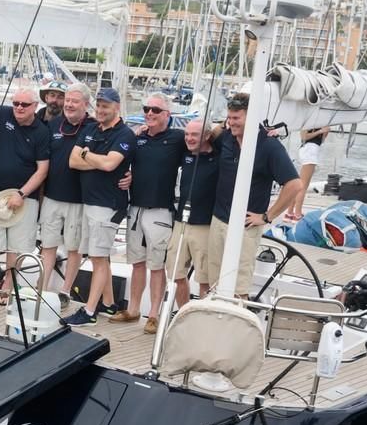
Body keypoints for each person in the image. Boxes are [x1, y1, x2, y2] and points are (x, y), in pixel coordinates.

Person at [208, 93, 301, 298]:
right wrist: (224, 125)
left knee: (238, 286)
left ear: (252, 117)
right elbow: (208, 137)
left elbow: (294, 185)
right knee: (212, 281)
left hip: (246, 226)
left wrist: (267, 216)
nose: (232, 123)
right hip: (219, 220)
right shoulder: (226, 138)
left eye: (237, 118)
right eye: (229, 118)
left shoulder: (269, 146)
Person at [110, 92, 184, 335]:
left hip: (161, 211)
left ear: (167, 115)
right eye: (147, 109)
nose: (149, 113)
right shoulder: (137, 138)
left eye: (156, 110)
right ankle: (133, 310)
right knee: (137, 262)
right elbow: (123, 161)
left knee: (156, 266)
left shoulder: (177, 138)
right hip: (136, 208)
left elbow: (204, 140)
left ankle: (153, 314)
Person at [60, 87, 135, 327]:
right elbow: (72, 161)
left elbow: (110, 165)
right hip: (88, 202)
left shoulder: (124, 134)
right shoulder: (91, 128)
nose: (101, 110)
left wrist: (87, 155)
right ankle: (109, 303)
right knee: (98, 256)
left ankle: (89, 311)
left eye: (107, 106)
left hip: (108, 204)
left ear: (117, 107)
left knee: (98, 257)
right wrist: (94, 158)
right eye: (99, 105)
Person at [0, 87, 50, 305]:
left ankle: (8, 286)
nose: (18, 107)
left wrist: (22, 193)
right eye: (15, 103)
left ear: (35, 107)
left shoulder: (41, 132)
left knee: (15, 246)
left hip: (24, 197)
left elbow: (42, 170)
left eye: (24, 105)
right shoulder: (4, 114)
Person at [38, 83, 94, 293]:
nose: (69, 105)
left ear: (86, 104)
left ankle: (65, 291)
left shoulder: (94, 126)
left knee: (74, 248)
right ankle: (42, 289)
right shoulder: (53, 125)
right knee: (48, 245)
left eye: (74, 101)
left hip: (78, 199)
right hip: (52, 197)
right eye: (67, 100)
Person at [166, 118, 220, 307]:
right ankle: (183, 314)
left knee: (205, 279)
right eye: (187, 134)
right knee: (176, 273)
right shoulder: (185, 154)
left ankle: (202, 321)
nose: (188, 138)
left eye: (194, 135)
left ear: (207, 136)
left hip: (204, 226)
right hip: (181, 223)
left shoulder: (219, 158)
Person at [289, 126, 330, 220]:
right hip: (309, 151)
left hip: (313, 150)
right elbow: (304, 137)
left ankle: (290, 212)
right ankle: (297, 214)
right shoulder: (310, 121)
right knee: (303, 186)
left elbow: (322, 140)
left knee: (301, 184)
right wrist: (320, 131)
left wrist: (324, 131)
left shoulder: (324, 123)